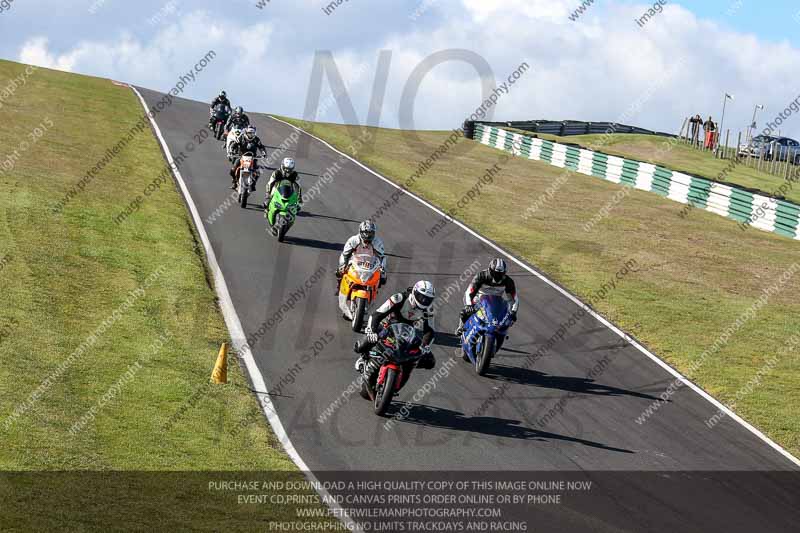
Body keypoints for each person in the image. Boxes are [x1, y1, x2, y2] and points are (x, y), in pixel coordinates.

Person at [354, 280, 437, 373]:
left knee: (430, 361)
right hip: (386, 325)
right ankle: (364, 357)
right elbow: (377, 315)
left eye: (427, 299)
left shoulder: (429, 309)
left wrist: (425, 345)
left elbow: (430, 330)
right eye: (421, 297)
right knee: (362, 345)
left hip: (407, 333)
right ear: (414, 292)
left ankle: (406, 366)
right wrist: (371, 331)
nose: (423, 301)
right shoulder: (398, 298)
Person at [455, 258, 519, 335]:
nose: (497, 276)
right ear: (490, 271)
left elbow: (514, 299)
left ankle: (501, 334)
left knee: (508, 319)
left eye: (500, 274)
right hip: (479, 299)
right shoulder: (481, 276)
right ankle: (461, 327)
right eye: (495, 273)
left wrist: (513, 311)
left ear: (504, 273)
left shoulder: (508, 281)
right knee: (465, 312)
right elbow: (469, 291)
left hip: (496, 302)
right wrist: (468, 305)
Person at [337, 221, 387, 291]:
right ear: (360, 231)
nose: (368, 235)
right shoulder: (353, 240)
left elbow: (381, 257)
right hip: (355, 262)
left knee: (383, 279)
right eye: (366, 232)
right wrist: (343, 265)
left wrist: (382, 268)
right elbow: (345, 254)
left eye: (370, 233)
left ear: (374, 233)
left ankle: (374, 290)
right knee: (339, 272)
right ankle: (339, 286)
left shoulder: (377, 242)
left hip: (370, 264)